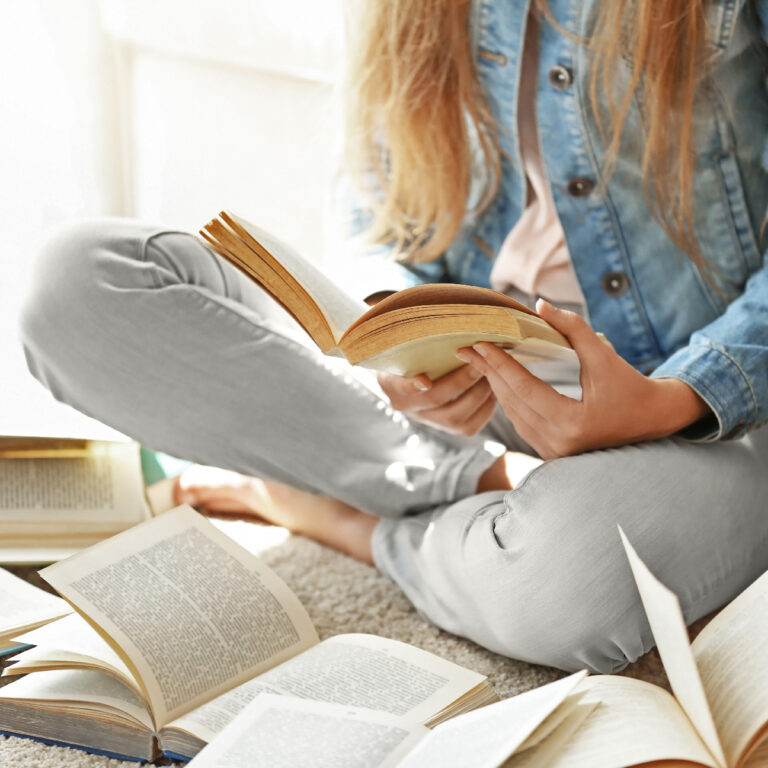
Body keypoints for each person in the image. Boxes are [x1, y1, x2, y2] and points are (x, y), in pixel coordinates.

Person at [19, 0, 768, 674]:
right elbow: (378, 218)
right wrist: (395, 349)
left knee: (572, 572)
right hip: (482, 373)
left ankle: (353, 517)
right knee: (79, 286)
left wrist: (675, 399)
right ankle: (475, 481)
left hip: (707, 406)